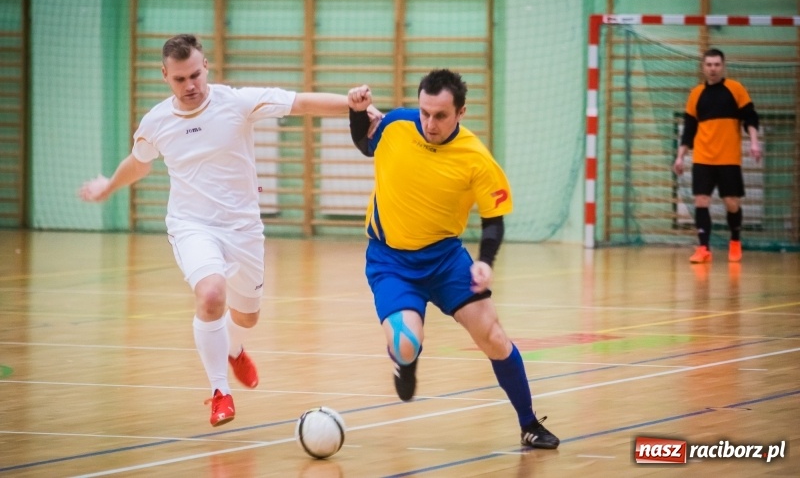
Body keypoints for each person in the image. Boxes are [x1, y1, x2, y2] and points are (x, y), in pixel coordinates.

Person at [79, 34, 380, 427]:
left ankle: (233, 347)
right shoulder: (156, 122)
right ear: (165, 76)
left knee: (248, 317)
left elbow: (300, 102)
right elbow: (138, 163)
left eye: (195, 75)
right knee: (210, 294)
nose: (190, 86)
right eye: (180, 79)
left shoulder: (236, 103)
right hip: (192, 226)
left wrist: (353, 105)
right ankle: (221, 392)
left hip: (242, 229)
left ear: (207, 67)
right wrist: (108, 186)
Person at [346, 69, 560, 450]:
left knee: (494, 337)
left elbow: (493, 220)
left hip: (445, 260)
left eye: (440, 115)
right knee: (407, 342)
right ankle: (406, 362)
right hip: (391, 261)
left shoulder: (476, 158)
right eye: (424, 112)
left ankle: (529, 423)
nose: (429, 123)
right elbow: (366, 145)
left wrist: (485, 260)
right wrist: (357, 112)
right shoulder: (396, 125)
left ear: (461, 112)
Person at [673, 48, 761, 264]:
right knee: (701, 200)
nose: (713, 69)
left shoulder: (735, 89)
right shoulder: (695, 94)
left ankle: (735, 241)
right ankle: (703, 248)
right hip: (703, 158)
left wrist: (754, 142)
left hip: (728, 158)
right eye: (709, 65)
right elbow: (689, 129)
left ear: (723, 66)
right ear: (703, 67)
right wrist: (680, 156)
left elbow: (750, 118)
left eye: (716, 64)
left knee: (731, 203)